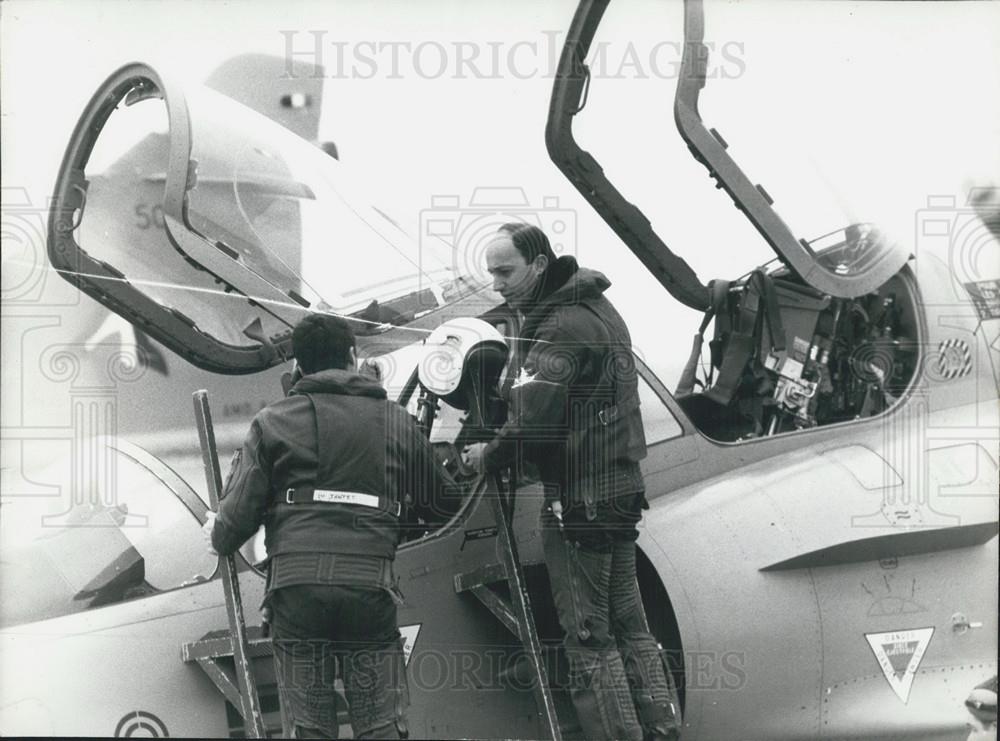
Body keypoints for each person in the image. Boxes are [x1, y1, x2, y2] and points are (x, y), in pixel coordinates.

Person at [464, 223, 682, 741]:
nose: (496, 284)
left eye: (505, 271)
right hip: (618, 489)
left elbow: (533, 423)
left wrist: (486, 454)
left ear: (539, 265)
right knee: (629, 624)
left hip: (580, 500)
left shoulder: (559, 326)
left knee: (587, 637)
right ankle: (663, 728)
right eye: (492, 273)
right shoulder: (593, 307)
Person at [203, 313, 461, 739]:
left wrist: (218, 532)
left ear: (298, 366)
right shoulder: (396, 421)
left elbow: (232, 527)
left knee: (310, 728)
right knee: (380, 724)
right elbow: (445, 507)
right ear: (353, 356)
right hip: (368, 588)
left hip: (296, 592)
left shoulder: (271, 421)